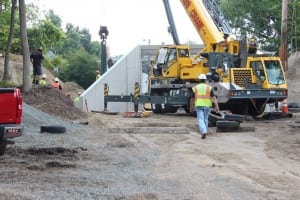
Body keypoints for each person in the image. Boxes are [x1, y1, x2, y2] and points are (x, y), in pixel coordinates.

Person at [192, 74, 219, 139]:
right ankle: (205, 131)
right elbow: (214, 97)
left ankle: (203, 131)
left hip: (199, 105)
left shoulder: (195, 87)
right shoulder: (209, 87)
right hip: (207, 105)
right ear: (205, 80)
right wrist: (216, 106)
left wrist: (191, 106)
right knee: (205, 119)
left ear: (199, 80)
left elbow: (192, 98)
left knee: (200, 119)